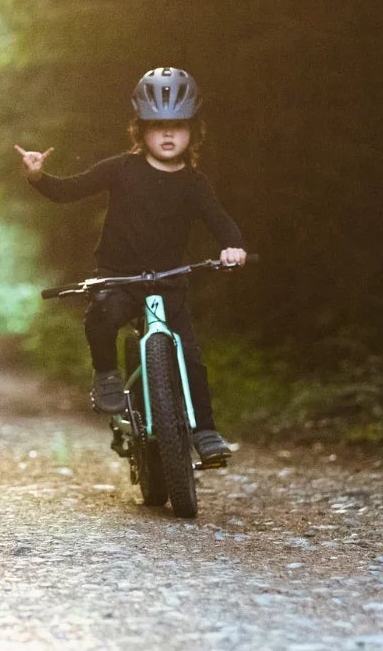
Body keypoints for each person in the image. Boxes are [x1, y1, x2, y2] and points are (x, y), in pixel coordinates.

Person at [15, 67, 246, 465]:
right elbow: (69, 190)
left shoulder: (194, 182)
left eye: (177, 125)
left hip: (169, 283)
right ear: (140, 130)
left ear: (193, 130)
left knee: (190, 356)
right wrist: (38, 177)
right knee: (101, 316)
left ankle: (205, 431)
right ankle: (107, 374)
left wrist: (233, 246)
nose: (168, 134)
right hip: (118, 277)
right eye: (157, 126)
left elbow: (220, 220)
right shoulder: (119, 169)